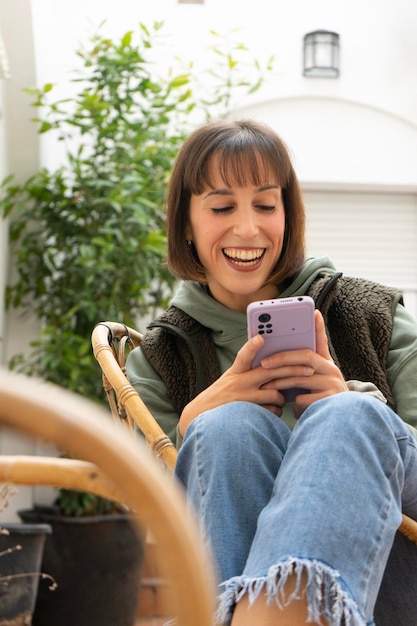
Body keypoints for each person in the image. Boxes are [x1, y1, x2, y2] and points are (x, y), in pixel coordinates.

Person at [126, 118, 417, 626]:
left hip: (389, 577)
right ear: (186, 222)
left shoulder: (373, 313)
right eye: (221, 207)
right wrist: (190, 423)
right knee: (225, 428)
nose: (247, 228)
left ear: (288, 215)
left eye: (266, 204)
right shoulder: (159, 357)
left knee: (348, 415)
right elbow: (145, 514)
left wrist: (350, 403)